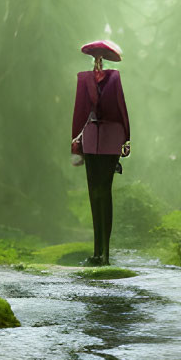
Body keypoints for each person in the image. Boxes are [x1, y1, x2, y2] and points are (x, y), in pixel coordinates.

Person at [70, 38, 131, 266]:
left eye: (100, 57)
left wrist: (126, 138)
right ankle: (97, 253)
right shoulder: (83, 78)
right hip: (91, 137)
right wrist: (74, 138)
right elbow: (79, 110)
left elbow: (120, 107)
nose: (98, 61)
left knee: (104, 192)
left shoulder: (114, 77)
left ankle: (105, 253)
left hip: (111, 137)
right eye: (95, 56)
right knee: (94, 194)